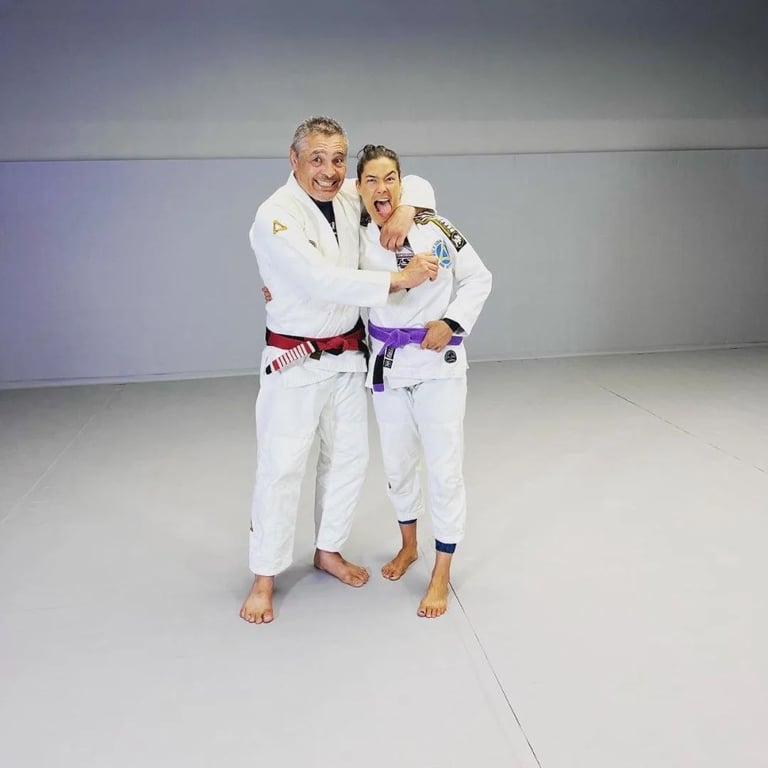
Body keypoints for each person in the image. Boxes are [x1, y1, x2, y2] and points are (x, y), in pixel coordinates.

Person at [240, 117, 438, 624]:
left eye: (337, 159)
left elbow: (409, 183)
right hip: (294, 361)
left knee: (349, 459)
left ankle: (327, 549)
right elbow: (319, 279)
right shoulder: (275, 215)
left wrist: (406, 210)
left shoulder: (347, 194)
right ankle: (264, 576)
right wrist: (398, 280)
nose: (329, 171)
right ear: (294, 159)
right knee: (282, 467)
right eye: (317, 159)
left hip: (348, 355)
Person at [356, 143, 492, 618]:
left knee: (444, 468)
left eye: (390, 178)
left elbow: (479, 278)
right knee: (397, 465)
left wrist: (452, 323)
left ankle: (441, 571)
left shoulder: (436, 227)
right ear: (358, 188)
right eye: (371, 180)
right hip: (388, 365)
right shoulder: (354, 235)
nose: (382, 188)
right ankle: (408, 546)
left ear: (402, 182)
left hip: (438, 367)